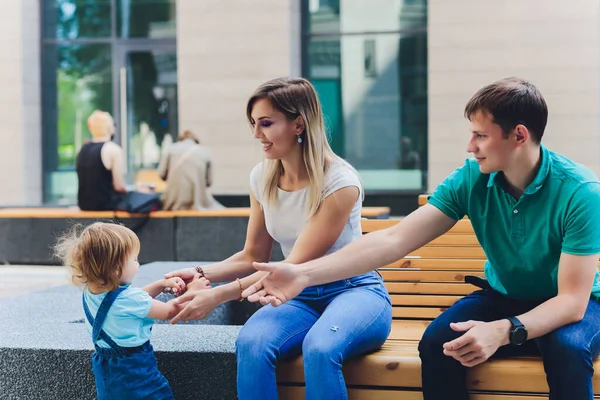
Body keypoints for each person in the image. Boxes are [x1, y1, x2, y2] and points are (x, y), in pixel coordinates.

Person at [243, 77, 600, 400]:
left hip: (575, 305)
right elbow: (394, 239)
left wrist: (504, 331)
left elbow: (571, 302)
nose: (470, 146)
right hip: (504, 296)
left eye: (480, 135)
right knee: (437, 343)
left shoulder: (580, 192)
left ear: (519, 135)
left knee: (565, 348)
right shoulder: (471, 178)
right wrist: (303, 274)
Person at [164, 77, 392, 400]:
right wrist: (201, 273)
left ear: (298, 124)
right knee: (251, 342)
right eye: (254, 124)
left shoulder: (340, 183)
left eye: (266, 124)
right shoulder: (263, 177)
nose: (257, 134)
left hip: (354, 292)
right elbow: (251, 254)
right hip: (299, 298)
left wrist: (217, 296)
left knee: (320, 348)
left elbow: (294, 265)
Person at [54, 222, 198, 400]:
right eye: (135, 259)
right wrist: (195, 291)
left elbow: (131, 302)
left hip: (107, 371)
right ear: (115, 268)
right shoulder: (129, 301)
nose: (138, 264)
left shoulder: (92, 293)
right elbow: (169, 311)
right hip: (134, 372)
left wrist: (160, 285)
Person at [157, 129, 223, 210]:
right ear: (196, 140)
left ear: (180, 140)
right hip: (198, 203)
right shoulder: (205, 152)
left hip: (173, 203)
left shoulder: (171, 149)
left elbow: (161, 174)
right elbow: (209, 182)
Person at [76, 111, 127, 211]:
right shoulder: (113, 149)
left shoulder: (83, 149)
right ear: (109, 128)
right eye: (113, 125)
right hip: (106, 206)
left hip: (84, 205)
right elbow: (119, 186)